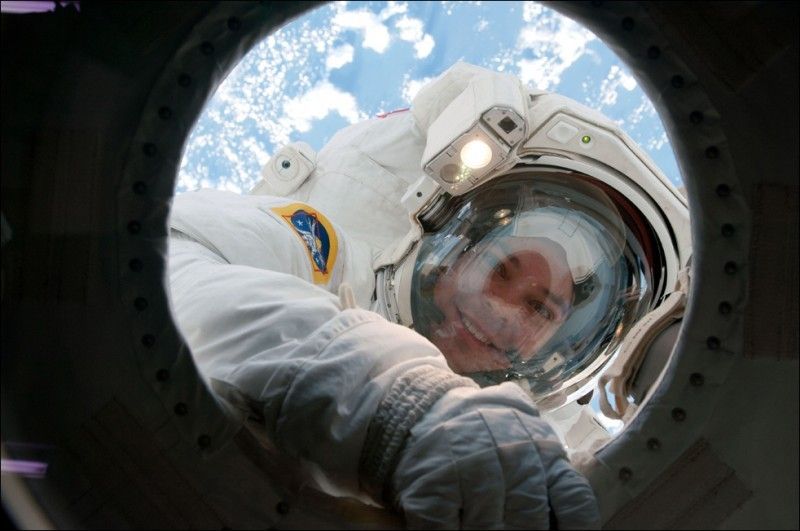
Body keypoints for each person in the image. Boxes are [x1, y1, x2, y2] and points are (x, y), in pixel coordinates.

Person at [168, 62, 689, 528]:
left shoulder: (551, 445)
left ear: (556, 347)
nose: (504, 310)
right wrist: (392, 407)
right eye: (503, 270)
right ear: (454, 255)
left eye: (538, 309)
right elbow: (167, 258)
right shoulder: (325, 260)